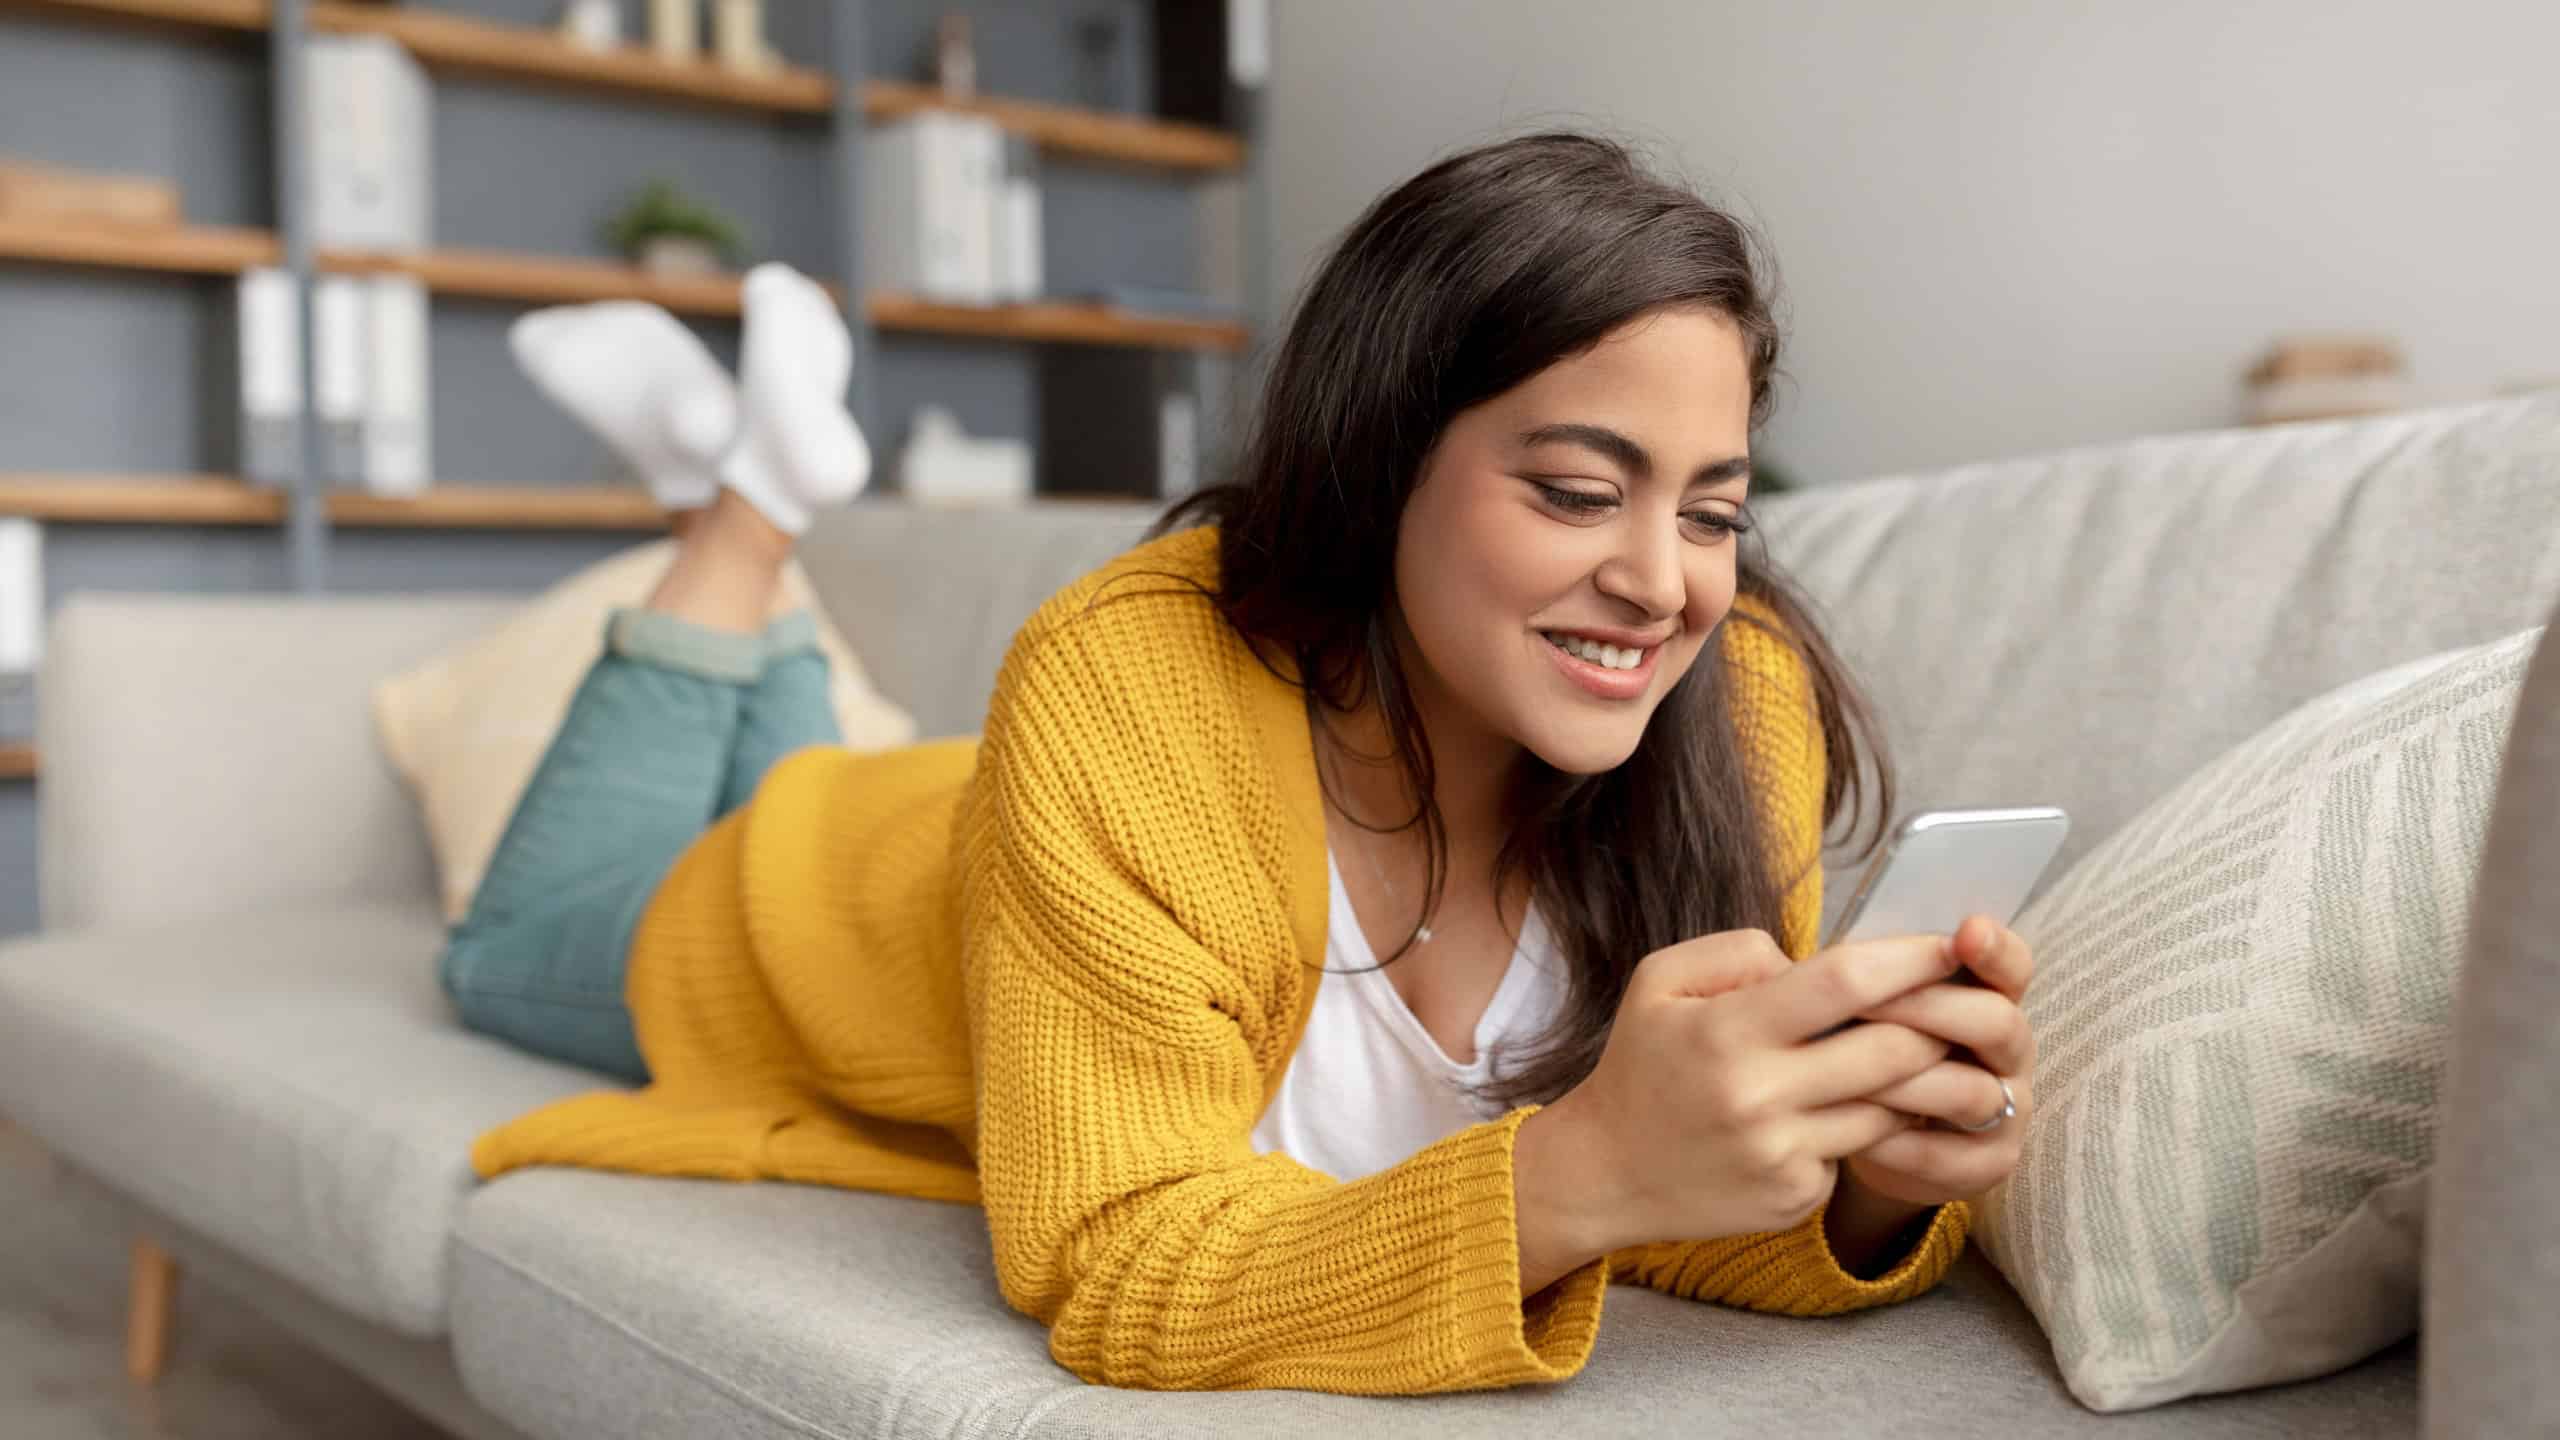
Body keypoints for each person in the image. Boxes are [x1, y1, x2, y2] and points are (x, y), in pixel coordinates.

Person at [447, 131, 2039, 1395]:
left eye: (1709, 510)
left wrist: (1865, 1185)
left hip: (1000, 844)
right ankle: (740, 522)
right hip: (798, 920)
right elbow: (1116, 1260)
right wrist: (1585, 1164)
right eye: (1573, 490)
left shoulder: (1733, 708)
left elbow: (1672, 1204)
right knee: (505, 946)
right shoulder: (1123, 677)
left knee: (809, 755)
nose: (1661, 580)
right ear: (1377, 462)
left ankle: (723, 492)